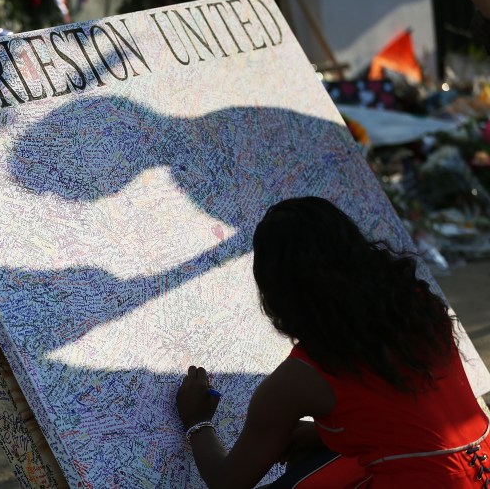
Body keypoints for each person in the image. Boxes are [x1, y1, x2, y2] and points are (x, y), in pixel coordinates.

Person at [176, 196, 490, 488]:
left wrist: (197, 420)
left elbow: (229, 481)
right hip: (483, 469)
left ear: (277, 293)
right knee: (310, 459)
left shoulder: (302, 376)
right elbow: (415, 415)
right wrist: (324, 434)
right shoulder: (420, 308)